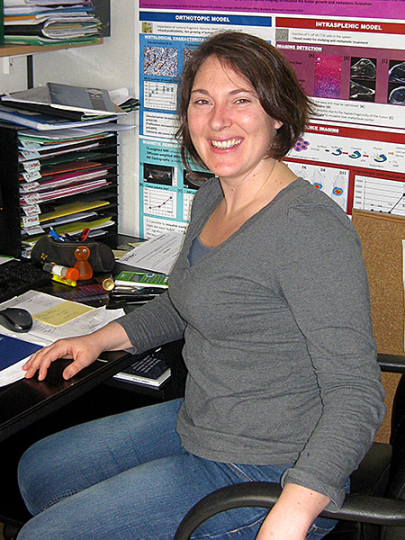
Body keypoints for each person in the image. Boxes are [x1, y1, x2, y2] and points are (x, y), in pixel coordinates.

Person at [17, 31, 385, 540]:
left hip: (272, 469)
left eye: (242, 100)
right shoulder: (212, 196)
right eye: (202, 101)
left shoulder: (308, 231)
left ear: (278, 114)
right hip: (205, 420)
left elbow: (357, 393)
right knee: (38, 471)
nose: (218, 121)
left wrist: (294, 512)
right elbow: (189, 302)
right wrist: (98, 339)